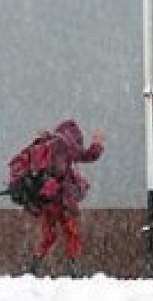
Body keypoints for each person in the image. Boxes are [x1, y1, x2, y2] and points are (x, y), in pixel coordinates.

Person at [25, 119, 105, 279]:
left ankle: (36, 263)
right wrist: (97, 144)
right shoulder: (66, 145)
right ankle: (73, 266)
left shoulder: (47, 143)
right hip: (62, 199)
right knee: (71, 232)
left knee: (49, 235)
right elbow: (87, 155)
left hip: (45, 198)